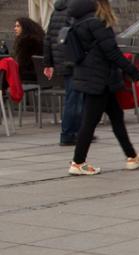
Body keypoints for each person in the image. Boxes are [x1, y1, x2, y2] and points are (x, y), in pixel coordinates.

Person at [67, 0, 139, 176]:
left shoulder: (78, 20)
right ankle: (78, 162)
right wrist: (134, 73)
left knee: (117, 117)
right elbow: (112, 52)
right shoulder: (97, 22)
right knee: (90, 121)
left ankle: (131, 156)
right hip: (100, 78)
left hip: (94, 76)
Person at [44, 0, 84, 147]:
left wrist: (48, 63)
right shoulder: (74, 11)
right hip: (73, 59)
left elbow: (48, 38)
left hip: (61, 60)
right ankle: (68, 134)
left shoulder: (56, 11)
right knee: (74, 99)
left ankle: (78, 131)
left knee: (73, 97)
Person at [13, 17, 44, 83]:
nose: (15, 28)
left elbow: (22, 63)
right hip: (39, 74)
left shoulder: (27, 42)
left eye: (18, 26)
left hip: (30, 74)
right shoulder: (36, 38)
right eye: (15, 26)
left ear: (25, 28)